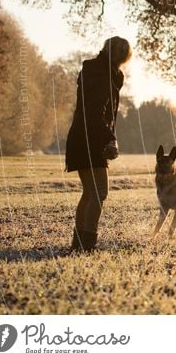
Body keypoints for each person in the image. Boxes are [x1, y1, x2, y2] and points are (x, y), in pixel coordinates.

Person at [65, 36, 131, 252]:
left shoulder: (103, 72)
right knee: (99, 192)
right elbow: (95, 113)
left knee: (90, 192)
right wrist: (109, 139)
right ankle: (87, 244)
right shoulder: (101, 74)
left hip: (82, 136)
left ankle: (79, 243)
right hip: (89, 138)